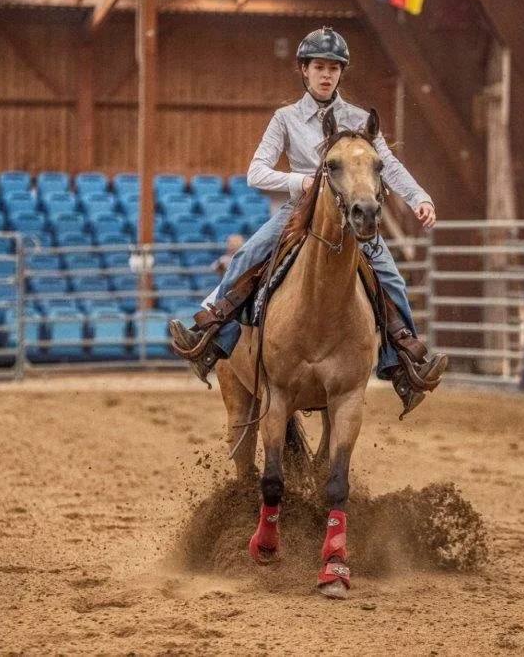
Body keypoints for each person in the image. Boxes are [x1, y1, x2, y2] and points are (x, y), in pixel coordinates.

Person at [170, 27, 448, 417]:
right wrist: (299, 181)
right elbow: (256, 172)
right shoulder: (285, 118)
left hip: (351, 215)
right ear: (304, 70)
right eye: (319, 67)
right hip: (299, 210)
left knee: (391, 278)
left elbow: (389, 165)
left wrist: (419, 196)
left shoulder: (359, 119)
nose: (327, 75)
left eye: (334, 68)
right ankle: (212, 337)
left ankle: (403, 364)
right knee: (248, 255)